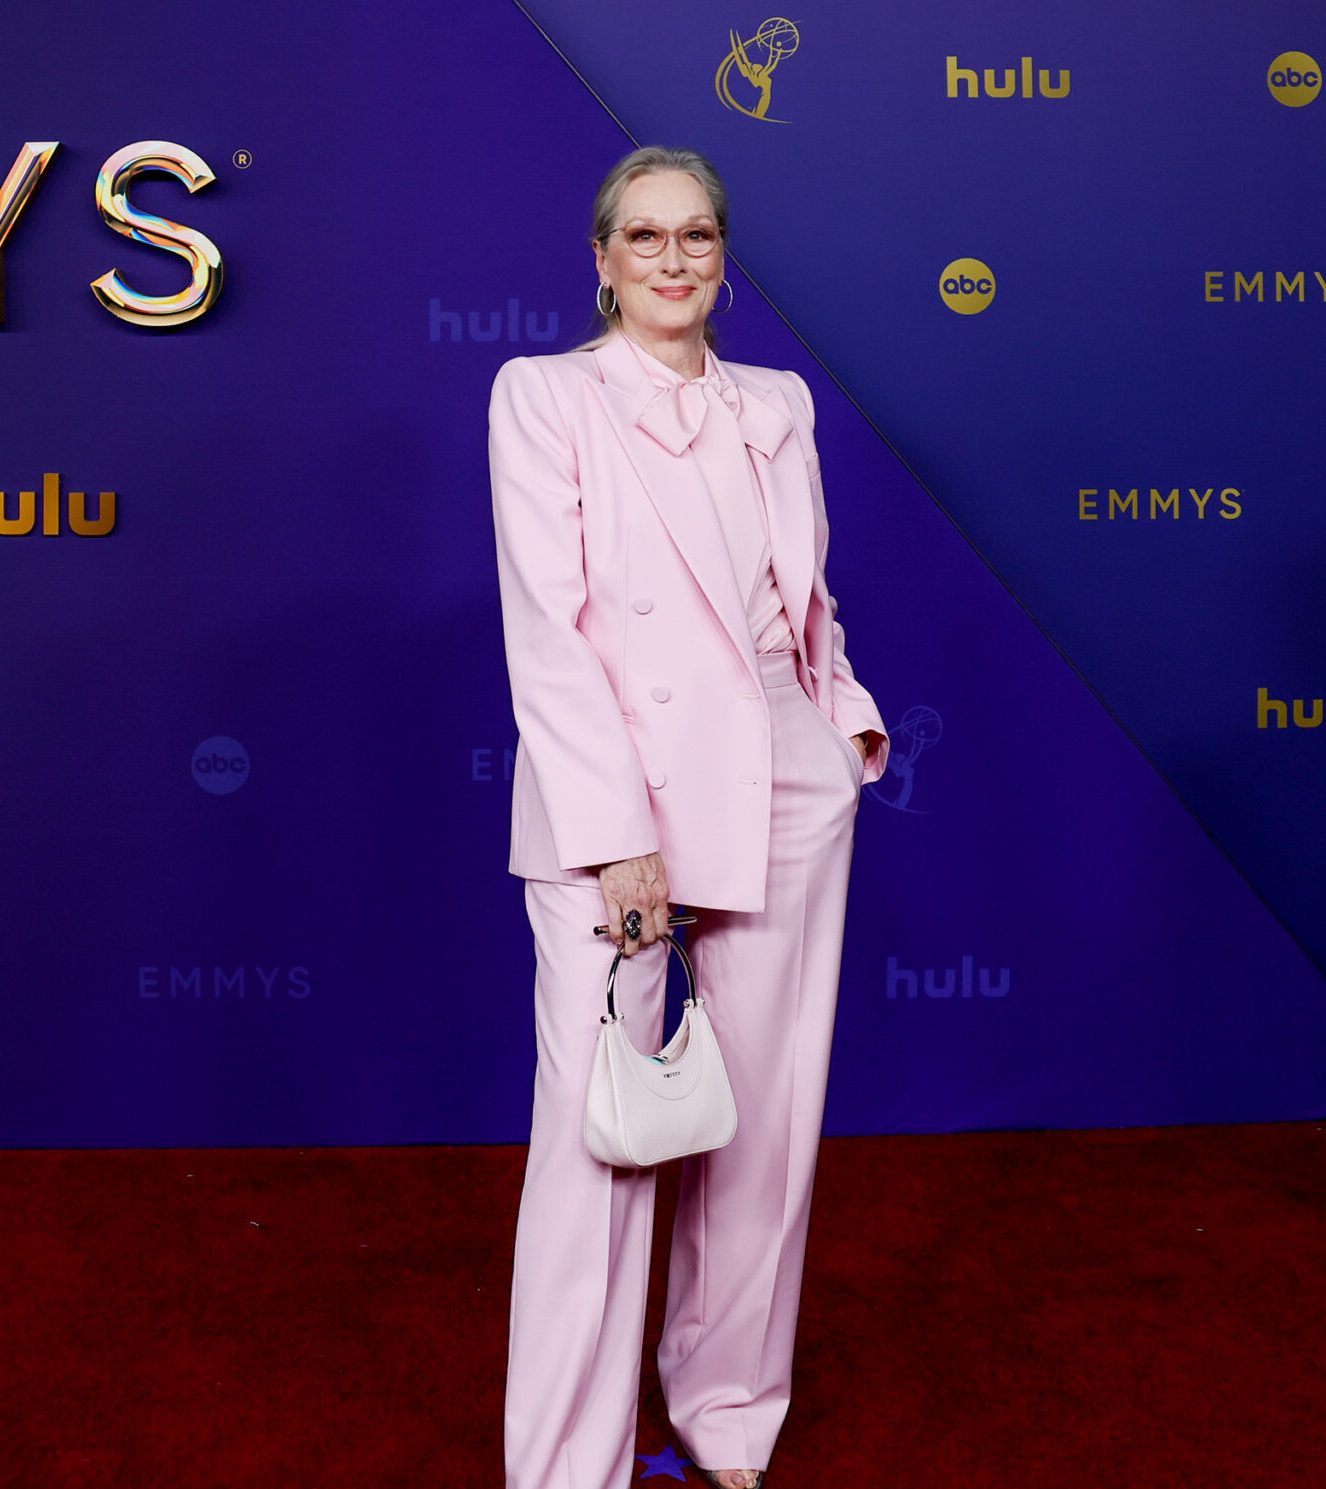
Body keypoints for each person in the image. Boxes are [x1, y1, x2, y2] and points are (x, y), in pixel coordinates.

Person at [489, 146, 887, 1489]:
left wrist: (840, 719)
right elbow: (552, 630)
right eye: (644, 235)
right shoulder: (545, 397)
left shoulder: (780, 400)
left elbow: (797, 592)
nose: (671, 257)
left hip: (783, 773)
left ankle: (729, 1419)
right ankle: (567, 1466)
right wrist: (615, 833)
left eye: (696, 235)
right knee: (608, 1136)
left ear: (723, 259)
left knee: (764, 1126)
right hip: (624, 791)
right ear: (601, 258)